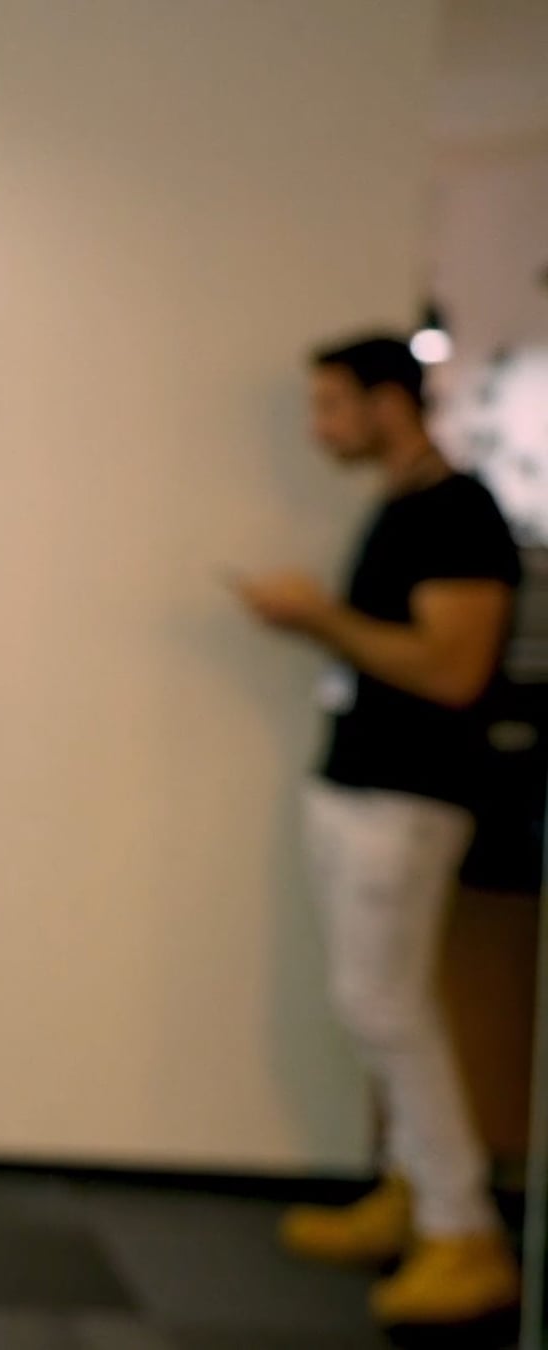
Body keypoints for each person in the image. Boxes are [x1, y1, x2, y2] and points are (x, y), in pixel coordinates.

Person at [233, 334, 522, 1329]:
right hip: (361, 787)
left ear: (388, 403)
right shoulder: (405, 507)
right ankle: (416, 1189)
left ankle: (462, 1227)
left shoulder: (458, 514)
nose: (318, 430)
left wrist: (320, 619)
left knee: (384, 1006)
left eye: (331, 406)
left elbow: (453, 669)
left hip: (408, 797)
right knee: (377, 1004)